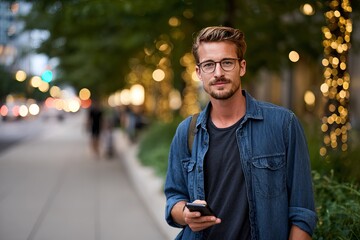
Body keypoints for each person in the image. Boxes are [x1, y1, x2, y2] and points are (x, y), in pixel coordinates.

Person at [164, 26, 317, 240]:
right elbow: (174, 197)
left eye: (227, 62)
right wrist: (186, 214)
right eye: (209, 65)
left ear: (241, 67)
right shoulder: (187, 132)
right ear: (199, 72)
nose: (218, 73)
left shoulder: (283, 124)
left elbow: (302, 212)